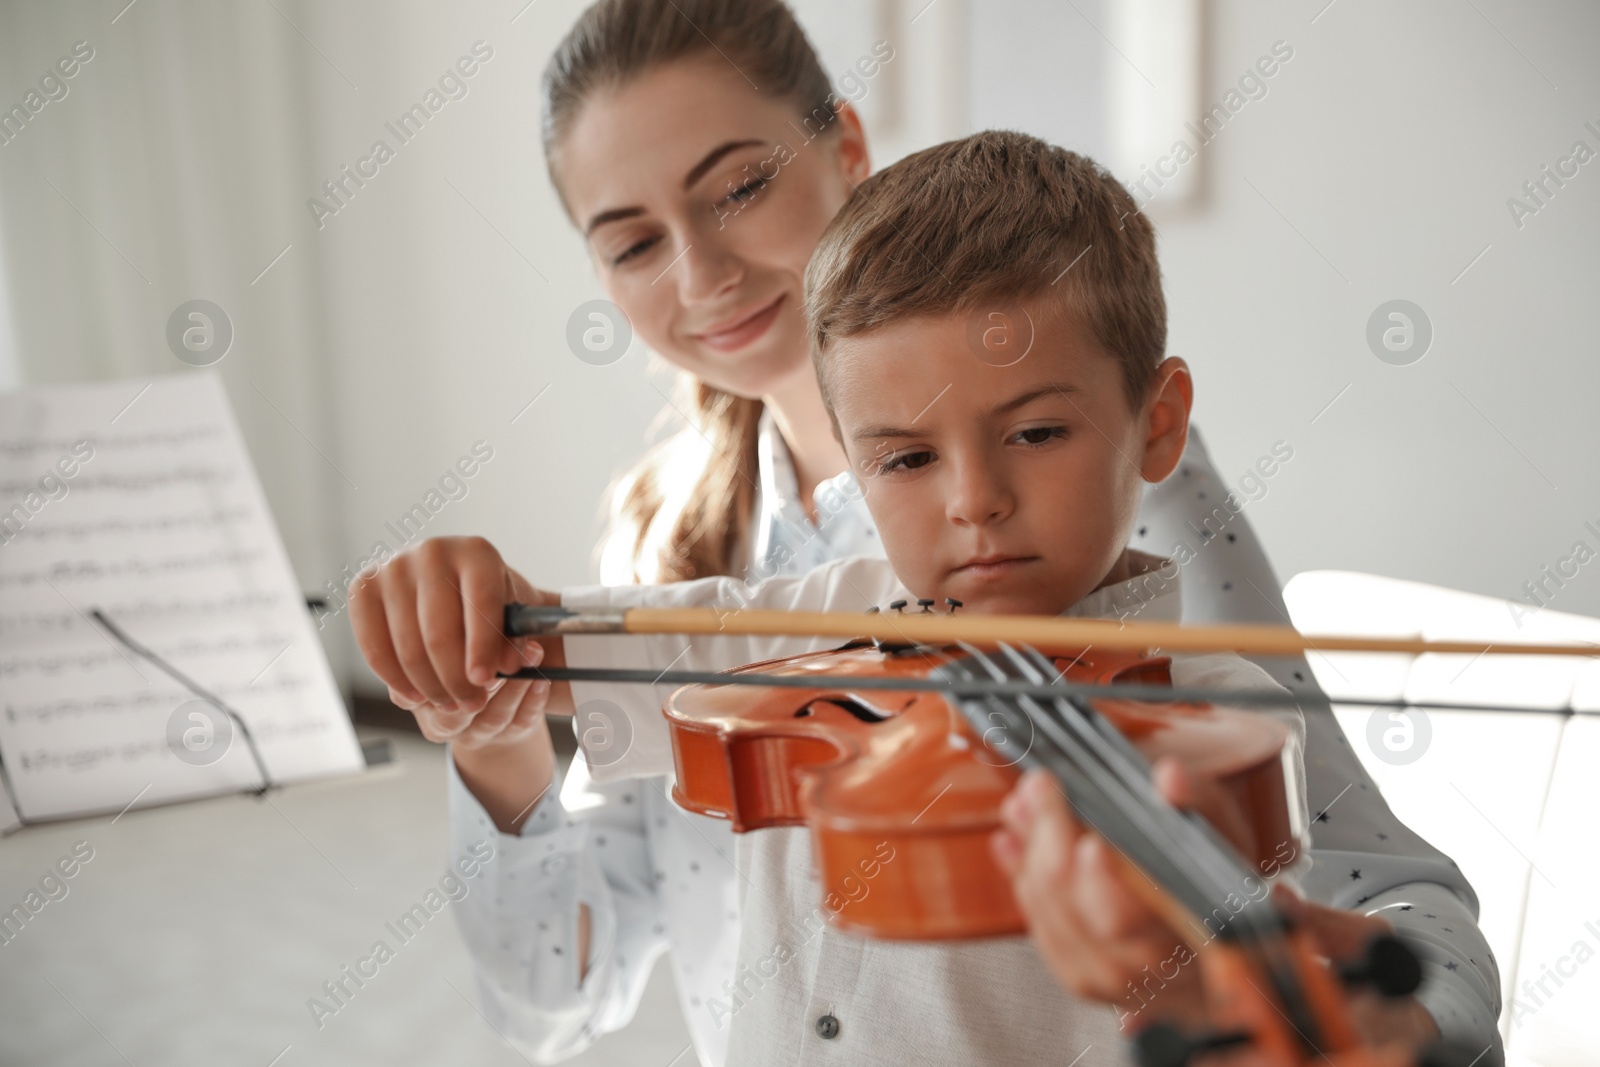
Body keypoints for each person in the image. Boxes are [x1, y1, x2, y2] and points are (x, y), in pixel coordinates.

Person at [348, 2, 1500, 1063]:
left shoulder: (1135, 548)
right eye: (634, 241)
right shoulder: (670, 536)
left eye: (738, 187)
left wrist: (1370, 1022)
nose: (700, 271)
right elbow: (557, 993)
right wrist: (488, 686)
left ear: (845, 146)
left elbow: (1371, 892)